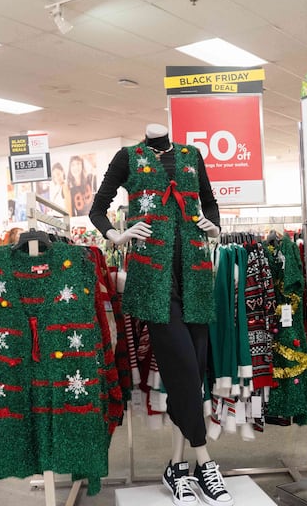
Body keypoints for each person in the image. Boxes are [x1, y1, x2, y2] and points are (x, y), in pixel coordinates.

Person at [89, 124, 230, 506]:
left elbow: (210, 202)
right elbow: (97, 208)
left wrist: (214, 227)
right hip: (154, 282)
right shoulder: (128, 157)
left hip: (196, 278)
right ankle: (204, 460)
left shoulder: (190, 155)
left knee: (192, 375)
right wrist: (115, 235)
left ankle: (176, 467)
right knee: (183, 369)